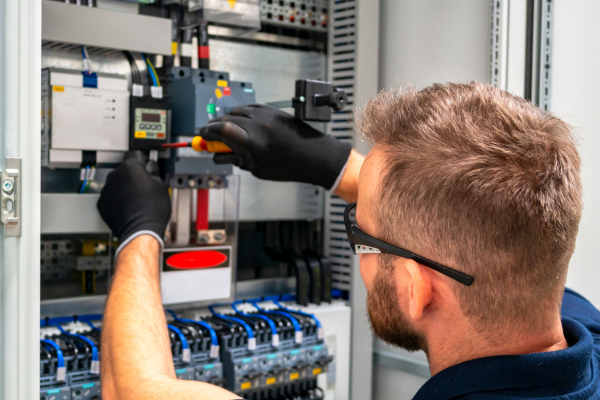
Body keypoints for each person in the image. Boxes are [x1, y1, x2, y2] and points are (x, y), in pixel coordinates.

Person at [97, 82, 600, 400]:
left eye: (358, 230)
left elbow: (134, 390)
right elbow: (492, 220)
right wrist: (335, 164)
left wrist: (139, 232)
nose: (356, 235)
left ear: (414, 288)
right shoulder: (582, 335)